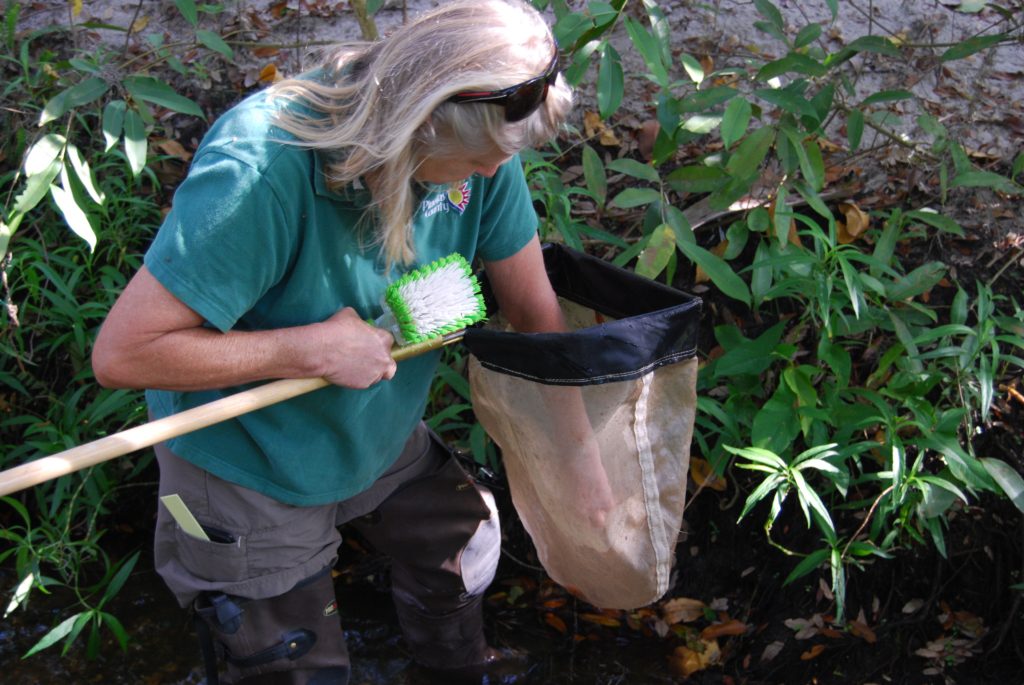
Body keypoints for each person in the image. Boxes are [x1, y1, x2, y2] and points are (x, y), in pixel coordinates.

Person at [91, 1, 613, 683]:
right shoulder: (262, 170)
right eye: (481, 160)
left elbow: (534, 311)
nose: (492, 176)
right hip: (249, 458)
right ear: (421, 124)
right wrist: (304, 348)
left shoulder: (484, 149)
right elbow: (123, 353)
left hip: (373, 428)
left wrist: (583, 464)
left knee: (464, 540)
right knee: (289, 662)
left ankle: (455, 668)